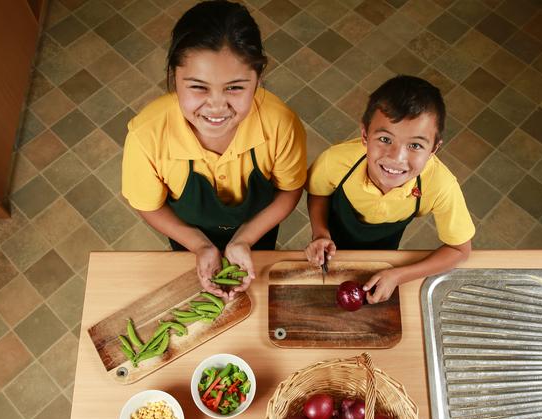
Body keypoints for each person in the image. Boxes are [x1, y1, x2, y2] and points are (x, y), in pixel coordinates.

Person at [122, 1, 307, 298]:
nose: (217, 107)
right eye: (198, 87)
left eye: (235, 88)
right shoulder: (146, 135)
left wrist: (245, 239)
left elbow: (290, 190)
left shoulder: (281, 124)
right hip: (187, 234)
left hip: (258, 231)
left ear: (258, 78)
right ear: (174, 78)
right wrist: (199, 244)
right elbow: (149, 205)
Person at [305, 75, 475, 304]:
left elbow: (460, 250)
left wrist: (398, 275)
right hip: (330, 244)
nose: (396, 158)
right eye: (385, 139)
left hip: (385, 252)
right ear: (365, 135)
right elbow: (318, 192)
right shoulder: (335, 160)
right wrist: (319, 233)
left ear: (434, 148)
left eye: (415, 145)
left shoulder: (441, 185)